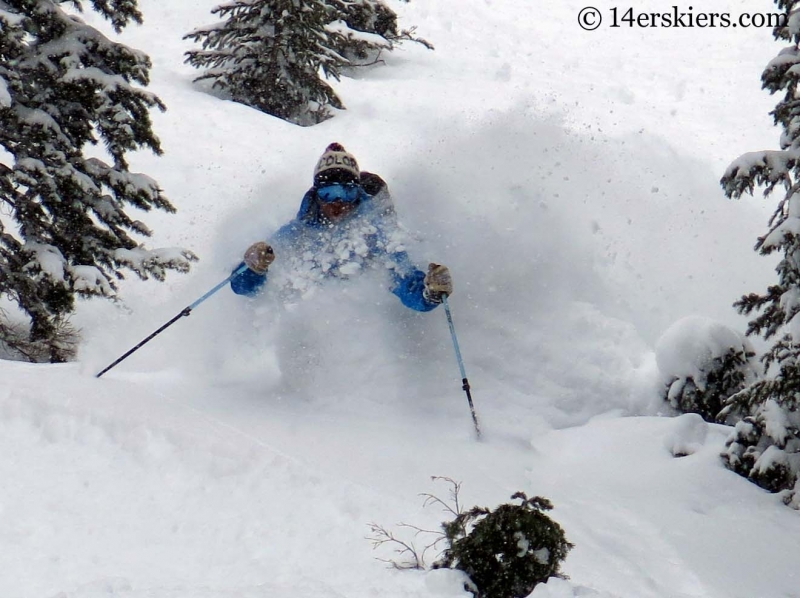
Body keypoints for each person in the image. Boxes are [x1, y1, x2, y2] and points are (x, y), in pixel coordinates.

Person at [230, 143, 453, 311]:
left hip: (362, 325)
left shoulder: (376, 232)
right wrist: (252, 268)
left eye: (346, 192)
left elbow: (405, 279)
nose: (337, 203)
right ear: (316, 195)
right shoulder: (298, 232)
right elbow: (244, 288)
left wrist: (429, 294)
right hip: (307, 333)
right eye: (328, 193)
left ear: (358, 192)